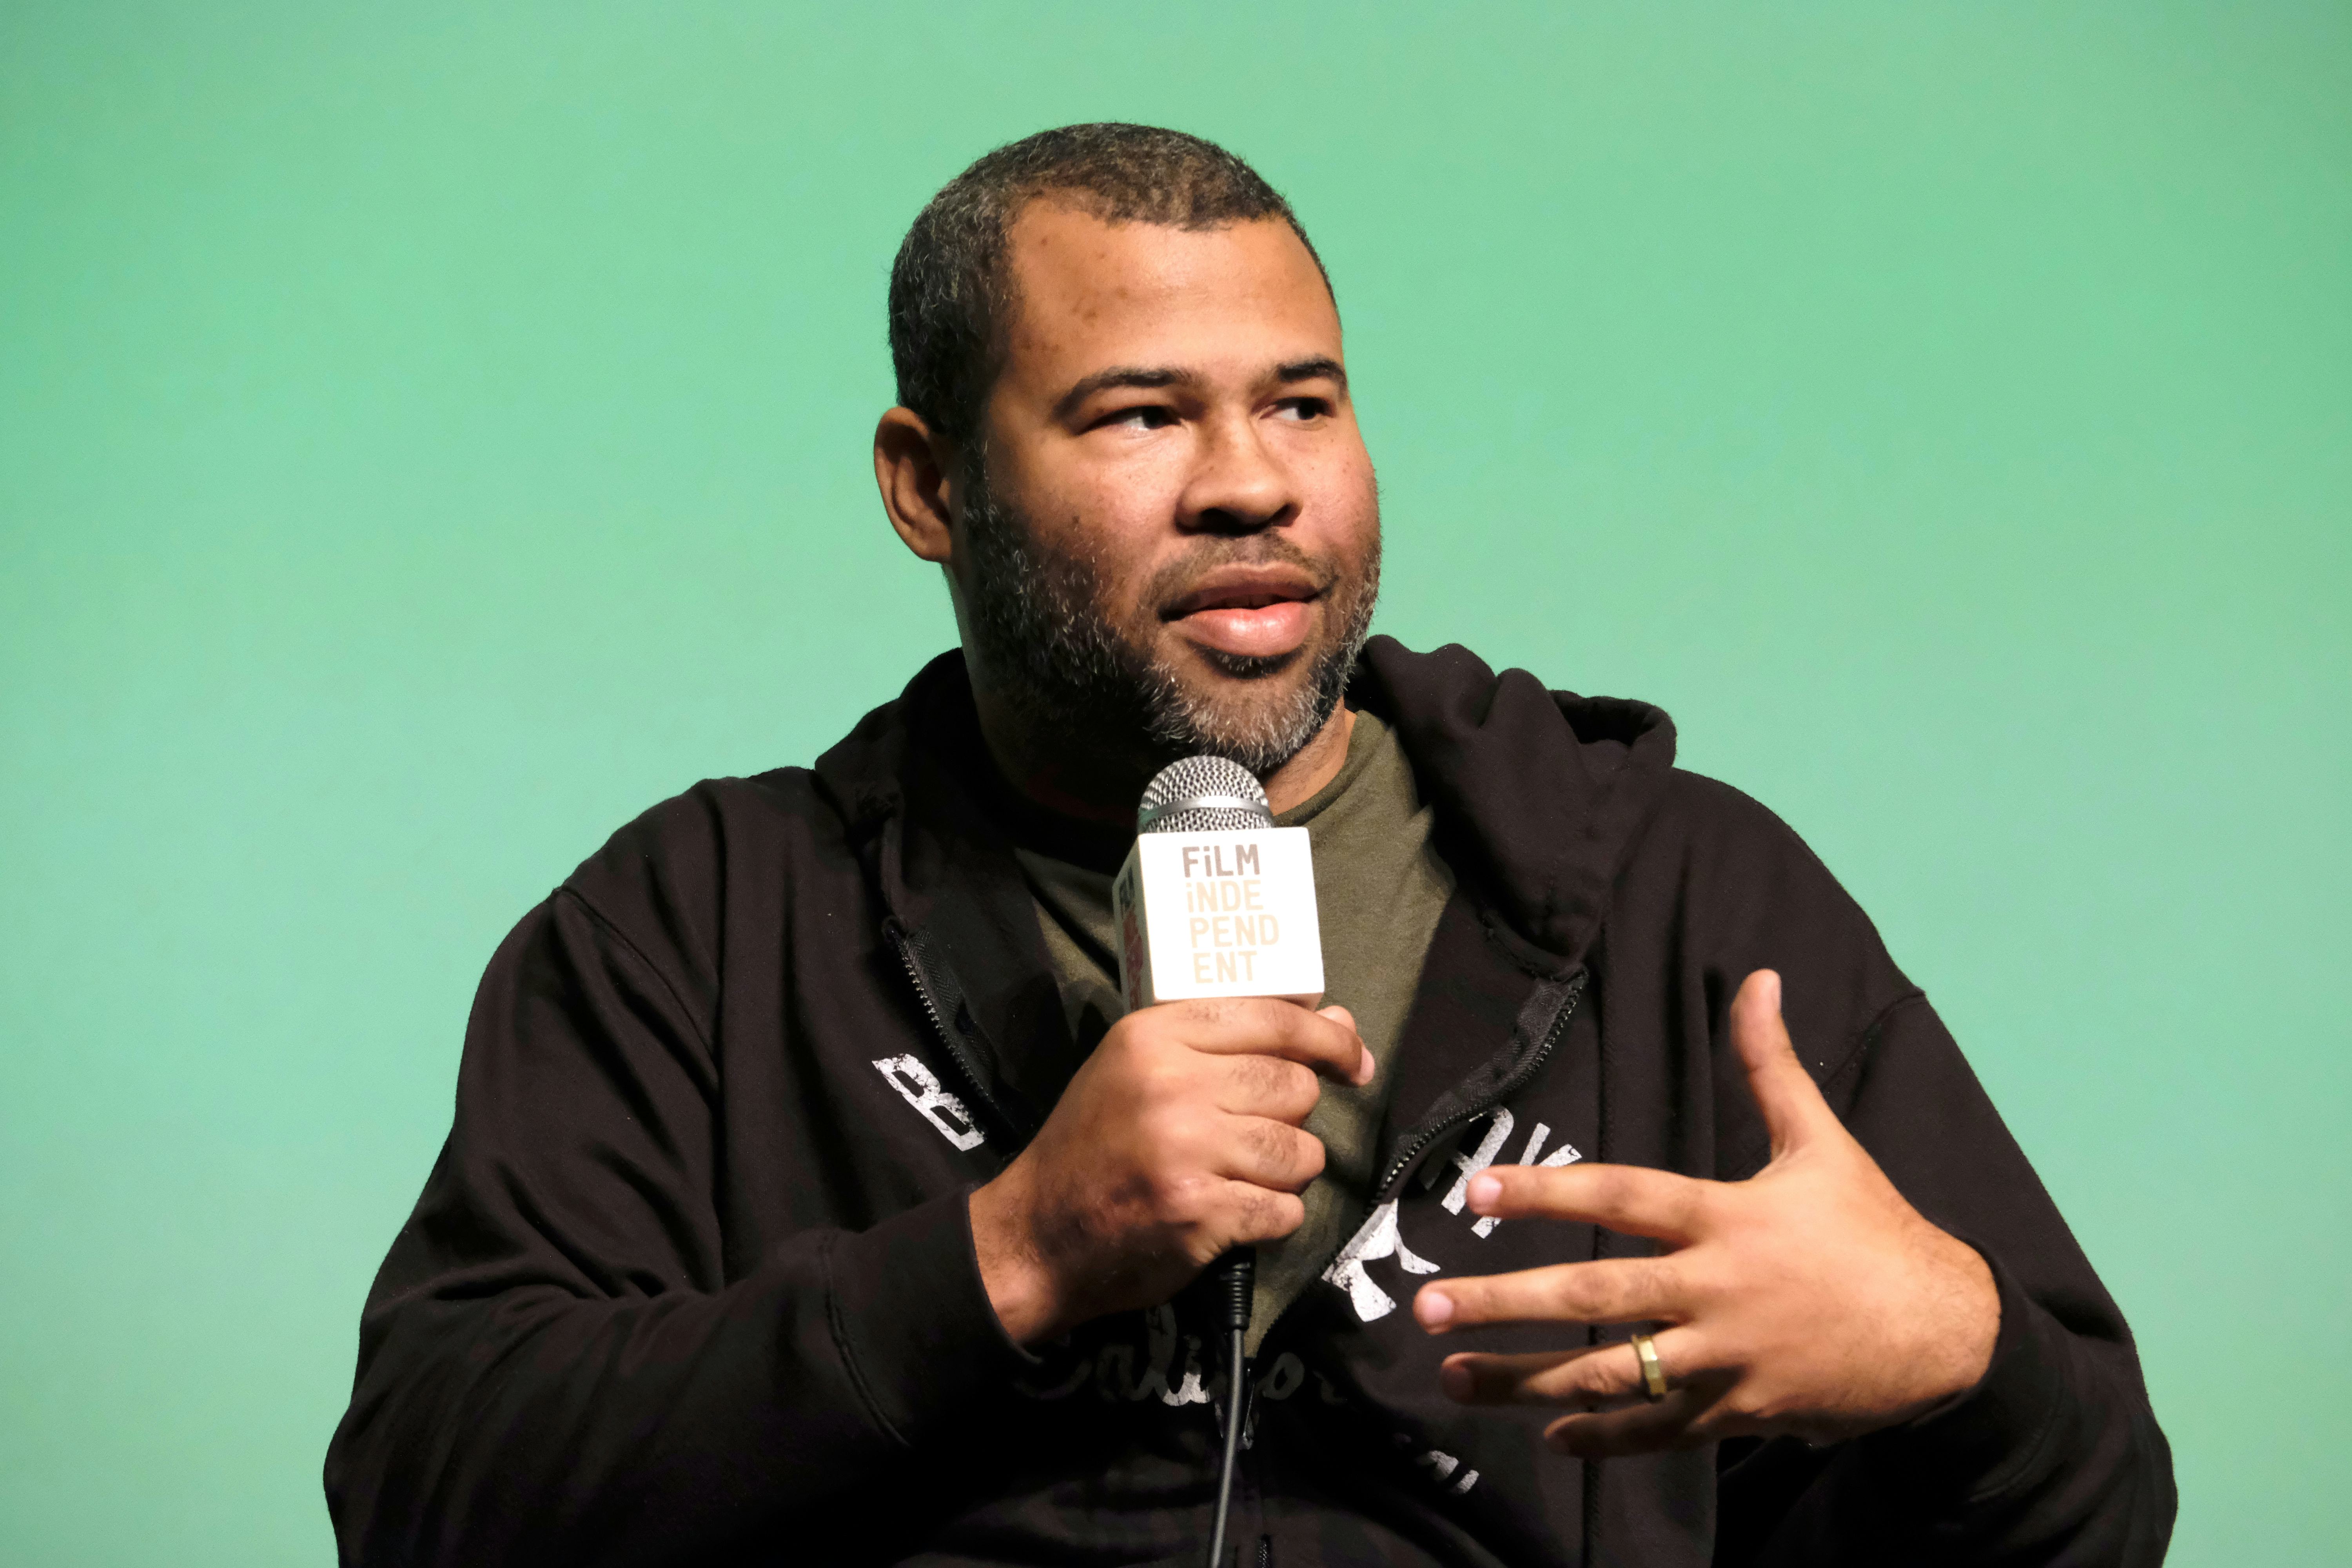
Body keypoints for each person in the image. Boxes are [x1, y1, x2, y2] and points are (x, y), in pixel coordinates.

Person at [324, 123, 2174, 1566]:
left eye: (1303, 401)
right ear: (930, 483)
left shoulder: (1682, 896)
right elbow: (430, 1492)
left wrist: (1965, 1355)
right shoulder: (704, 927)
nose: (1254, 482)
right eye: (1143, 414)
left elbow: (2096, 1507)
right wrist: (1006, 1256)